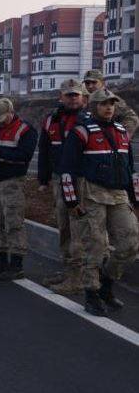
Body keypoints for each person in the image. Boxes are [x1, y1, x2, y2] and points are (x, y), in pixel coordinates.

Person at [58, 88, 139, 316]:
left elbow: (130, 169)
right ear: (93, 107)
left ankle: (106, 282)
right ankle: (92, 293)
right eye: (103, 104)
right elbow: (67, 169)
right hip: (91, 194)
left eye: (111, 103)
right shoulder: (81, 133)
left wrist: (136, 199)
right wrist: (71, 201)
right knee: (95, 246)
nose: (109, 107)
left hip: (118, 195)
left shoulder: (122, 131)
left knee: (130, 244)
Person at [38, 79, 89, 294]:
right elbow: (44, 150)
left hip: (83, 181)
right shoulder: (52, 120)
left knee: (80, 229)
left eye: (76, 94)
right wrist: (43, 178)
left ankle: (79, 278)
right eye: (69, 95)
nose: (73, 98)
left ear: (84, 97)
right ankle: (69, 271)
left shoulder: (89, 119)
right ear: (61, 97)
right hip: (61, 181)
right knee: (64, 227)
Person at [0, 98, 37, 281]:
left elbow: (25, 155)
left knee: (13, 223)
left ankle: (16, 265)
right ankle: (0, 260)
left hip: (12, 182)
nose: (0, 121)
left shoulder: (25, 130)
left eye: (4, 118)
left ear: (12, 113)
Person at [82, 69, 138, 135]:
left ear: (102, 83)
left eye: (94, 82)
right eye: (87, 83)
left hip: (108, 139)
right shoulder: (87, 98)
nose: (90, 86)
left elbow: (132, 118)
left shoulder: (111, 99)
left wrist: (122, 136)